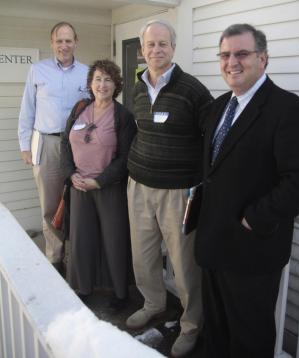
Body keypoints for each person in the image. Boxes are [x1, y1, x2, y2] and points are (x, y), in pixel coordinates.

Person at [194, 23, 299, 358]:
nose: (231, 62)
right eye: (225, 55)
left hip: (252, 249)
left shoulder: (287, 109)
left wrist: (254, 219)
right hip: (213, 243)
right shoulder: (219, 106)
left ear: (263, 59)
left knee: (249, 339)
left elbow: (297, 180)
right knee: (216, 332)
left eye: (242, 53)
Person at [126, 19, 213, 357]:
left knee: (183, 262)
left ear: (173, 48)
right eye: (151, 44)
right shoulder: (136, 87)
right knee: (143, 253)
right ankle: (152, 303)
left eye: (163, 44)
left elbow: (211, 139)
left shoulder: (192, 89)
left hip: (179, 191)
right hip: (139, 185)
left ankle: (191, 325)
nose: (156, 50)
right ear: (142, 49)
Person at [61, 59, 136, 310]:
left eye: (108, 80)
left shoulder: (123, 116)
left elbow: (125, 157)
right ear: (90, 84)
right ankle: (83, 288)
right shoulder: (79, 108)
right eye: (97, 79)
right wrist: (70, 173)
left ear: (116, 85)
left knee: (114, 240)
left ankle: (120, 293)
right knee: (81, 240)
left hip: (108, 187)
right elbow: (65, 143)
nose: (102, 85)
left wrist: (100, 181)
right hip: (79, 185)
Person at [18, 22, 88, 273]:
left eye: (68, 40)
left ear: (76, 42)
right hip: (46, 143)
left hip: (77, 146)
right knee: (50, 205)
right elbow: (27, 110)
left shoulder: (86, 73)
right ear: (52, 43)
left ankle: (75, 256)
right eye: (59, 41)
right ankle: (55, 258)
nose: (64, 45)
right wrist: (25, 146)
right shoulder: (38, 71)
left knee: (77, 202)